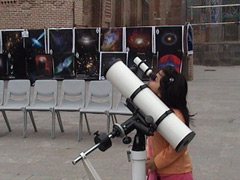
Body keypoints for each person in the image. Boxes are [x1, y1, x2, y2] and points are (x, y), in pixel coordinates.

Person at [146, 65, 194, 180]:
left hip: (176, 174)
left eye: (158, 77)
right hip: (160, 172)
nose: (155, 75)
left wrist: (156, 162)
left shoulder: (175, 117)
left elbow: (178, 147)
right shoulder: (159, 110)